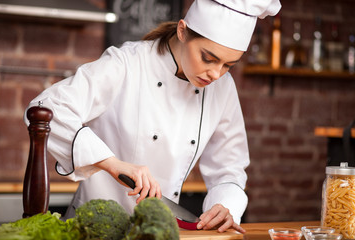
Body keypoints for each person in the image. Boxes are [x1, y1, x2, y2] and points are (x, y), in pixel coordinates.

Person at [25, 0, 281, 233]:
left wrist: (224, 207)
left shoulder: (222, 89)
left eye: (228, 66)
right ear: (182, 31)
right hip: (92, 229)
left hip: (157, 232)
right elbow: (45, 109)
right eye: (208, 58)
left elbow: (230, 169)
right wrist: (112, 164)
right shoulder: (128, 63)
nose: (215, 74)